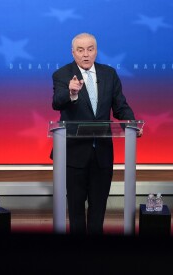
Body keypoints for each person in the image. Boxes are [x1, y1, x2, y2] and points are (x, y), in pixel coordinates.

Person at [52, 33, 139, 234]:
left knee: (98, 210)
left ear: (96, 51)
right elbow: (56, 101)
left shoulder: (109, 74)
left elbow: (121, 107)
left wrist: (132, 124)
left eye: (90, 49)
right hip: (74, 154)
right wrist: (71, 93)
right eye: (80, 50)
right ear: (72, 53)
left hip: (102, 153)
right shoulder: (62, 75)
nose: (85, 54)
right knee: (75, 211)